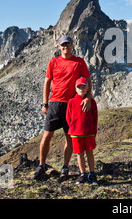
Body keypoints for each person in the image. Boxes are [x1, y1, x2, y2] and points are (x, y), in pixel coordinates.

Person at [33, 35, 92, 181]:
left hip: (71, 104)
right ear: (59, 47)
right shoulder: (53, 62)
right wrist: (45, 103)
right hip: (54, 103)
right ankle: (41, 165)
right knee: (47, 135)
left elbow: (88, 80)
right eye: (63, 45)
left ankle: (65, 167)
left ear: (72, 45)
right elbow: (47, 82)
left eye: (68, 44)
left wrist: (88, 98)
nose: (66, 47)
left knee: (69, 138)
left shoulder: (79, 62)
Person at [66, 77, 98, 184]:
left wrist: (94, 131)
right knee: (79, 154)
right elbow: (68, 117)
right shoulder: (71, 102)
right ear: (75, 89)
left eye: (83, 87)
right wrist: (73, 127)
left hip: (88, 133)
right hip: (76, 133)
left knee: (89, 153)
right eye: (79, 87)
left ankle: (92, 173)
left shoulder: (91, 102)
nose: (81, 89)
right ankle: (83, 174)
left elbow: (95, 117)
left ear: (87, 89)